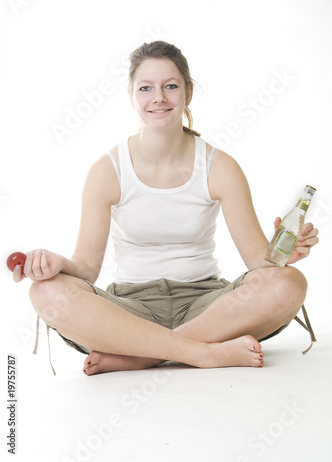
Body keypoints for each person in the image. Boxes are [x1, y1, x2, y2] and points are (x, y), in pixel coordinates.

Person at [13, 41, 319, 375]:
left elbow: (257, 263)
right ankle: (201, 353)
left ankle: (141, 357)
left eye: (170, 86)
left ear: (188, 93)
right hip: (129, 308)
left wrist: (283, 252)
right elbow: (87, 268)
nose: (158, 98)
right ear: (132, 97)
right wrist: (59, 264)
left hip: (207, 307)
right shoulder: (108, 171)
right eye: (146, 88)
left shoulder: (220, 167)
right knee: (46, 292)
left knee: (289, 283)